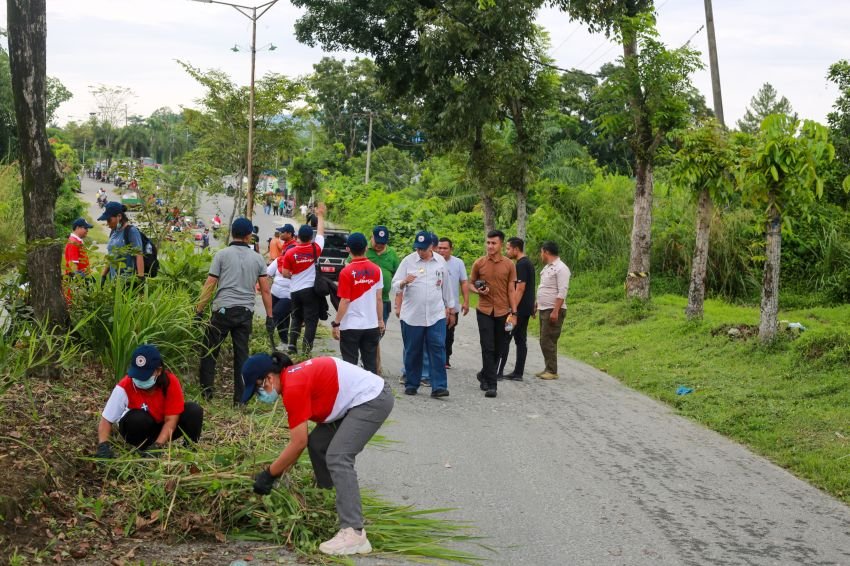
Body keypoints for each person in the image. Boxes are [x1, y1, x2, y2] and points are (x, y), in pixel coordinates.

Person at [242, 353, 393, 556]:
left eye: (259, 389)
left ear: (269, 378)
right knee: (318, 444)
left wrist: (269, 475)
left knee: (338, 456)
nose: (260, 396)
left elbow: (297, 443)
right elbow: (304, 443)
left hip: (372, 400)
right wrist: (277, 473)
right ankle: (330, 501)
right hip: (353, 402)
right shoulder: (291, 378)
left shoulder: (293, 387)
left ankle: (354, 532)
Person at [195, 218, 274, 404]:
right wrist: (270, 316)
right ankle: (240, 400)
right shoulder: (257, 258)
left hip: (222, 311)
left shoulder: (221, 255)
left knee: (209, 352)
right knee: (242, 357)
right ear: (248, 236)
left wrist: (199, 310)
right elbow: (265, 289)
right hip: (245, 313)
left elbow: (210, 284)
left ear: (232, 234)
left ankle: (207, 394)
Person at [95, 344, 204, 457]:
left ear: (158, 371)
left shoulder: (170, 382)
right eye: (136, 375)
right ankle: (141, 448)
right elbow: (106, 419)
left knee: (194, 411)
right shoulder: (125, 386)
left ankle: (190, 450)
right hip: (138, 428)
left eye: (144, 376)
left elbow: (171, 420)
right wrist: (103, 445)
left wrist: (158, 445)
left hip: (162, 427)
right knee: (138, 419)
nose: (138, 380)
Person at [391, 231, 455, 398]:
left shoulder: (440, 262)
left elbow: (446, 286)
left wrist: (451, 308)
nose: (420, 252)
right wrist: (404, 282)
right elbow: (394, 285)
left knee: (437, 349)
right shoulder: (408, 261)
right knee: (413, 350)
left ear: (431, 247)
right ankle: (412, 383)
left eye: (423, 249)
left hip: (435, 314)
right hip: (412, 316)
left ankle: (439, 386)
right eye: (417, 248)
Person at [469, 230, 518, 398]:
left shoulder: (509, 265)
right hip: (484, 310)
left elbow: (512, 290)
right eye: (488, 243)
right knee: (487, 346)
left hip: (503, 311)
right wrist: (478, 290)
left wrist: (514, 312)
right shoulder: (479, 263)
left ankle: (484, 374)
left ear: (501, 245)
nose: (490, 246)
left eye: (493, 243)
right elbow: (470, 284)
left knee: (500, 348)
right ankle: (492, 384)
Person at [332, 233, 384, 373]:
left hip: (350, 326)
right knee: (370, 366)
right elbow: (379, 299)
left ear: (348, 249)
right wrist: (380, 320)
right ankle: (372, 394)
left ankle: (352, 394)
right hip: (371, 325)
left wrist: (336, 323)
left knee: (350, 366)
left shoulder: (346, 272)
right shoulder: (377, 270)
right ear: (366, 248)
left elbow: (345, 300)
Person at [281, 204, 326, 355]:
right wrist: (320, 215)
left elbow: (285, 273)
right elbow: (321, 232)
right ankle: (306, 350)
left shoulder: (290, 252)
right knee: (311, 321)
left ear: (298, 236)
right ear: (311, 238)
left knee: (296, 317)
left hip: (295, 291)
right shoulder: (316, 248)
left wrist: (293, 273)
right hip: (310, 291)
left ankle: (292, 345)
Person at [499, 237, 535, 381]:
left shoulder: (521, 265)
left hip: (519, 309)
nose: (506, 251)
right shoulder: (527, 263)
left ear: (516, 249)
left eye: (508, 248)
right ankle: (518, 372)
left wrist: (512, 309)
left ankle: (499, 371)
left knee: (506, 337)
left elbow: (520, 289)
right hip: (524, 308)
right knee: (520, 339)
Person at [535, 241, 571, 380]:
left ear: (546, 252)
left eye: (541, 252)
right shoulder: (548, 268)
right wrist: (537, 303)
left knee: (547, 340)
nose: (541, 255)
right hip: (544, 308)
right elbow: (544, 287)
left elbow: (562, 290)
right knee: (545, 339)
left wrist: (555, 311)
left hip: (553, 309)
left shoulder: (561, 268)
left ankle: (552, 370)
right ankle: (548, 367)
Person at [435, 237, 469, 369]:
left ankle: (446, 358)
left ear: (451, 249)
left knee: (449, 333)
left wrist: (466, 302)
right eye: (439, 248)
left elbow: (464, 282)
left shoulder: (458, 263)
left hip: (452, 304)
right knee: (436, 333)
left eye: (445, 248)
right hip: (436, 305)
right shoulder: (433, 262)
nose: (442, 250)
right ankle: (436, 358)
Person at [98, 201, 145, 281]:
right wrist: (104, 275)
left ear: (119, 216)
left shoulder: (131, 231)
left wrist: (141, 278)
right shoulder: (113, 232)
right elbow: (112, 256)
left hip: (127, 281)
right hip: (114, 281)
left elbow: (139, 255)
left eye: (109, 220)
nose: (107, 224)